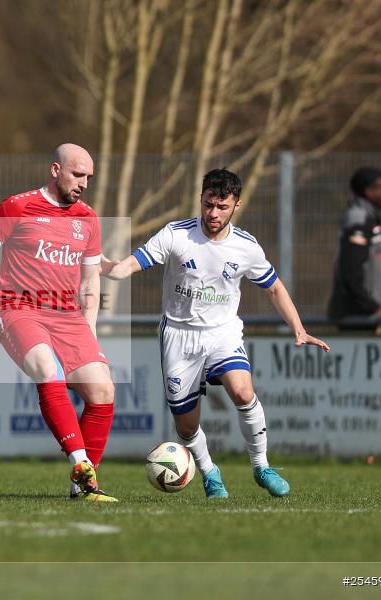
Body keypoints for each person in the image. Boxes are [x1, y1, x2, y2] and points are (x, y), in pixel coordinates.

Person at [102, 168, 329, 498]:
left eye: (222, 207)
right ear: (201, 199)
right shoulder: (176, 235)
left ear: (236, 205)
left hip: (222, 333)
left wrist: (299, 329)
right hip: (179, 336)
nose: (213, 213)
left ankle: (261, 466)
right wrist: (106, 269)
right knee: (186, 426)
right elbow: (128, 265)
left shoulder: (246, 247)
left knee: (242, 392)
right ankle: (210, 472)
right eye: (208, 204)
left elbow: (274, 288)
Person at [0, 143, 117, 502]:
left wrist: (88, 327)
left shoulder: (87, 219)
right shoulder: (17, 207)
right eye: (77, 174)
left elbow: (90, 280)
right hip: (19, 309)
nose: (84, 183)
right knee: (47, 367)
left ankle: (83, 488)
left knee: (103, 390)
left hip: (69, 317)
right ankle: (80, 462)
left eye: (89, 176)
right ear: (55, 170)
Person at [328, 167, 381, 331]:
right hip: (360, 319)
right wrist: (372, 307)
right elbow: (350, 271)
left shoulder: (370, 217)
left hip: (368, 316)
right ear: (369, 191)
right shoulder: (359, 219)